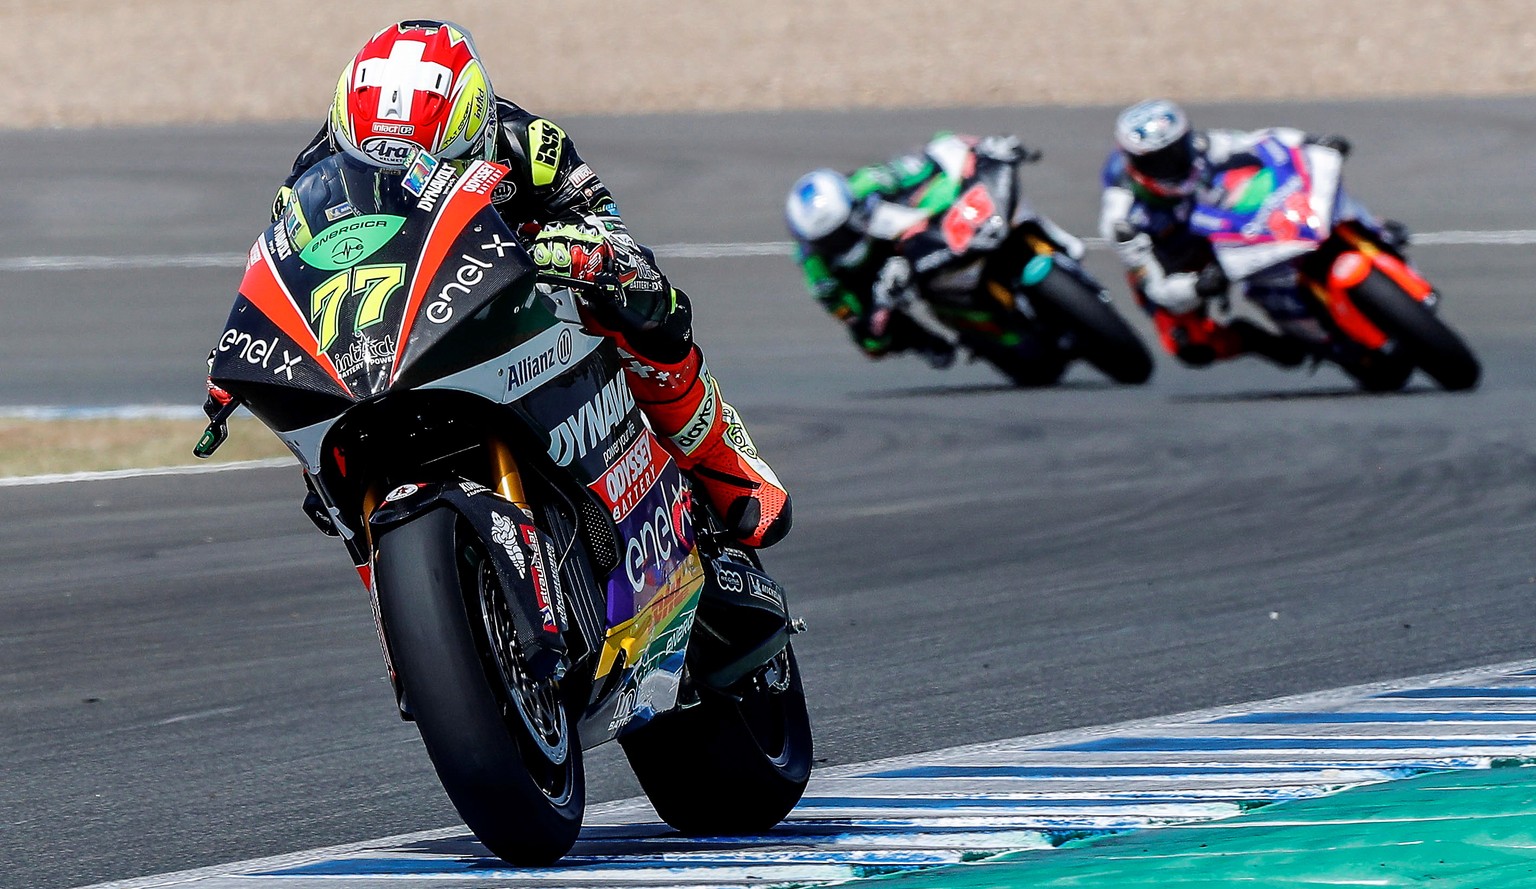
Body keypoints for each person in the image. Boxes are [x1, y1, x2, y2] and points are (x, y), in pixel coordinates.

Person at [265, 20, 790, 548]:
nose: (402, 182)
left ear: (476, 132)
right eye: (375, 169)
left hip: (522, 304)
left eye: (431, 169)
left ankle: (718, 456)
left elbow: (624, 248)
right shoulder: (314, 173)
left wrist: (586, 252)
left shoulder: (532, 146)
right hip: (395, 327)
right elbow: (285, 270)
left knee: (649, 305)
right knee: (321, 472)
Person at [1099, 99, 1404, 368]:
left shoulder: (1206, 147)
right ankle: (1258, 341)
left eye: (1177, 151)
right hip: (1180, 259)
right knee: (1190, 346)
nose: (1172, 163)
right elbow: (1156, 287)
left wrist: (1312, 141)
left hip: (1222, 222)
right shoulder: (1122, 219)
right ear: (1133, 161)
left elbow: (1265, 142)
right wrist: (1197, 287)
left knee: (1297, 192)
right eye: (1156, 160)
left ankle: (1369, 228)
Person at [786, 132, 1068, 367]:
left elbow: (939, 152)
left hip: (926, 236)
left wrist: (983, 146)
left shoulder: (869, 182)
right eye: (829, 241)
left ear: (853, 209)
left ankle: (1052, 244)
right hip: (893, 284)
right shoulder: (820, 275)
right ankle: (929, 341)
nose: (839, 243)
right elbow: (866, 338)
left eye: (841, 232)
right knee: (890, 335)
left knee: (989, 200)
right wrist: (882, 304)